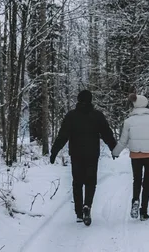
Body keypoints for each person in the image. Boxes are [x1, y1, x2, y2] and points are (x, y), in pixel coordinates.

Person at [50, 90, 117, 226]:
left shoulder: (71, 116)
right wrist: (114, 148)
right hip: (92, 153)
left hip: (76, 154)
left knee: (77, 182)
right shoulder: (97, 116)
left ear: (78, 100)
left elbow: (63, 135)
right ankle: (87, 206)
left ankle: (79, 213)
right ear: (91, 100)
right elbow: (106, 133)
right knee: (91, 182)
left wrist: (54, 151)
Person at [112, 93, 149, 221]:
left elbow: (123, 140)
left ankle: (135, 200)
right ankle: (144, 212)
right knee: (147, 183)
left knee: (137, 180)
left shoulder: (128, 121)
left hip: (136, 155)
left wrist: (115, 152)